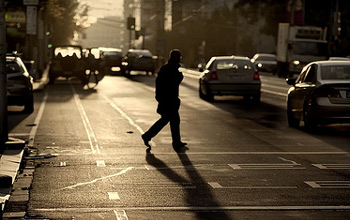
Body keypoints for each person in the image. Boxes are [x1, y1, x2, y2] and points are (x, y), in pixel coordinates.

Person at [142, 49, 187, 151]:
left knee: (169, 120)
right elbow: (170, 85)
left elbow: (160, 83)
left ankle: (149, 136)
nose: (179, 59)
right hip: (168, 100)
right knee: (171, 120)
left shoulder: (167, 68)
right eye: (179, 57)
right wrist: (179, 78)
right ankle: (149, 136)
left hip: (168, 99)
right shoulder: (169, 69)